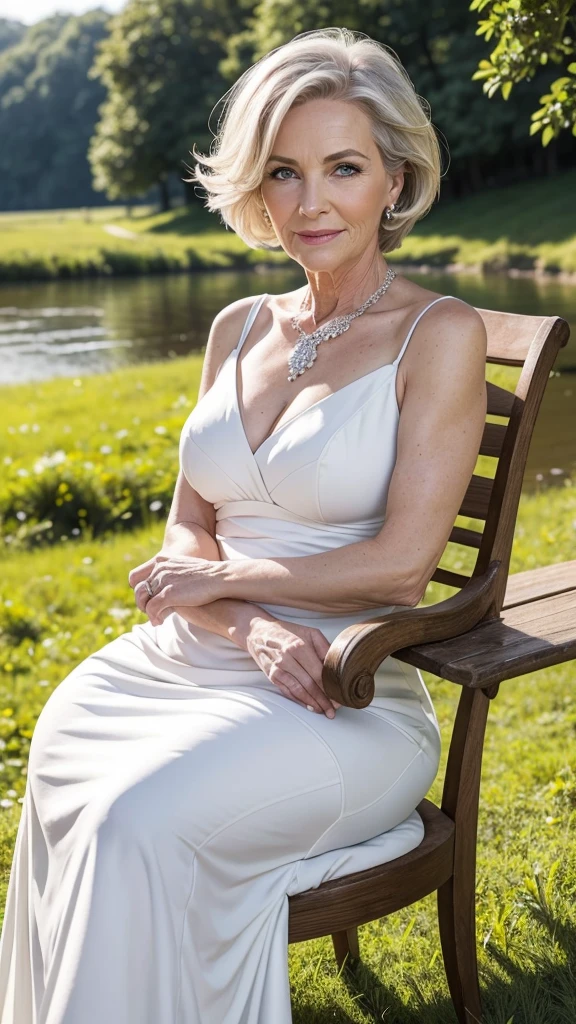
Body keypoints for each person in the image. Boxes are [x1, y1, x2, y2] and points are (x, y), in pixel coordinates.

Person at [0, 26, 488, 1024]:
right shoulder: (237, 328)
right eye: (283, 172)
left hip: (342, 696)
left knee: (134, 821)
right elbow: (188, 534)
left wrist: (227, 582)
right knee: (60, 765)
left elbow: (401, 570)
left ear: (394, 179)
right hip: (209, 657)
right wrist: (247, 622)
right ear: (254, 189)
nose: (311, 202)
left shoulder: (438, 335)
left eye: (343, 168)